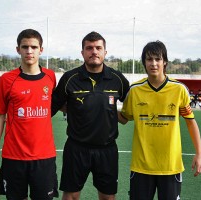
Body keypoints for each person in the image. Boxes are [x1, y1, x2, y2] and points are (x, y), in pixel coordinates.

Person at [120, 41, 201, 200]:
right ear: (144, 62)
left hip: (170, 166)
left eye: (157, 59)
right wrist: (103, 106)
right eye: (149, 59)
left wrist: (199, 153)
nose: (153, 63)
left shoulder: (179, 89)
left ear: (164, 61)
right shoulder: (135, 90)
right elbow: (124, 118)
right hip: (141, 166)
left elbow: (190, 122)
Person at [52, 31, 130, 200]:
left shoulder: (117, 79)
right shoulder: (69, 78)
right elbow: (53, 104)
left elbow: (131, 105)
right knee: (71, 195)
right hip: (76, 148)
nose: (94, 51)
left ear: (105, 52)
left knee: (108, 197)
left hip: (107, 149)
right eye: (89, 48)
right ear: (82, 53)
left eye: (98, 48)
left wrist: (114, 113)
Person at [0, 29, 58, 200]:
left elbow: (57, 104)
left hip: (44, 156)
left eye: (34, 47)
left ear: (41, 50)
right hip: (13, 156)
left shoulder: (50, 76)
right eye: (25, 47)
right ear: (18, 49)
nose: (29, 51)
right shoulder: (7, 79)